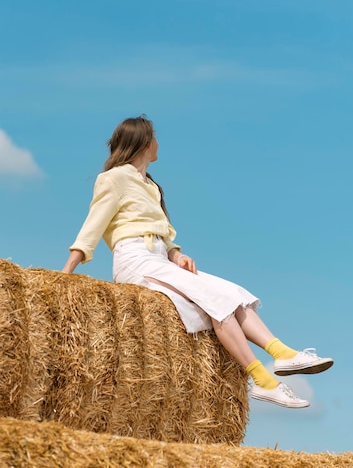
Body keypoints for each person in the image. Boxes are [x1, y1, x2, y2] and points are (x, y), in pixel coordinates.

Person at [62, 115, 333, 409]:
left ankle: (282, 354)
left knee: (234, 294)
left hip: (160, 260)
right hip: (135, 259)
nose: (158, 143)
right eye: (154, 136)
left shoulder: (152, 186)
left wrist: (176, 254)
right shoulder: (113, 178)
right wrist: (66, 273)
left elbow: (163, 233)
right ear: (143, 141)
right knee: (214, 300)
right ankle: (264, 381)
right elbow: (93, 225)